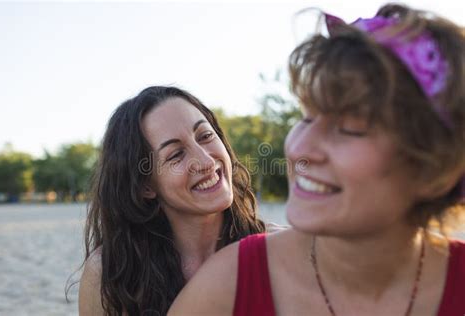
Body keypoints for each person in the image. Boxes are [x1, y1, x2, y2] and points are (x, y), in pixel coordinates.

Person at [169, 4, 465, 315]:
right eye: (307, 117)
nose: (300, 149)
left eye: (348, 128)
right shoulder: (223, 291)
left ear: (436, 169)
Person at [76, 86, 267, 315]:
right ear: (145, 186)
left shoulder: (278, 252)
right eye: (176, 154)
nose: (206, 161)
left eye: (205, 136)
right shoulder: (110, 273)